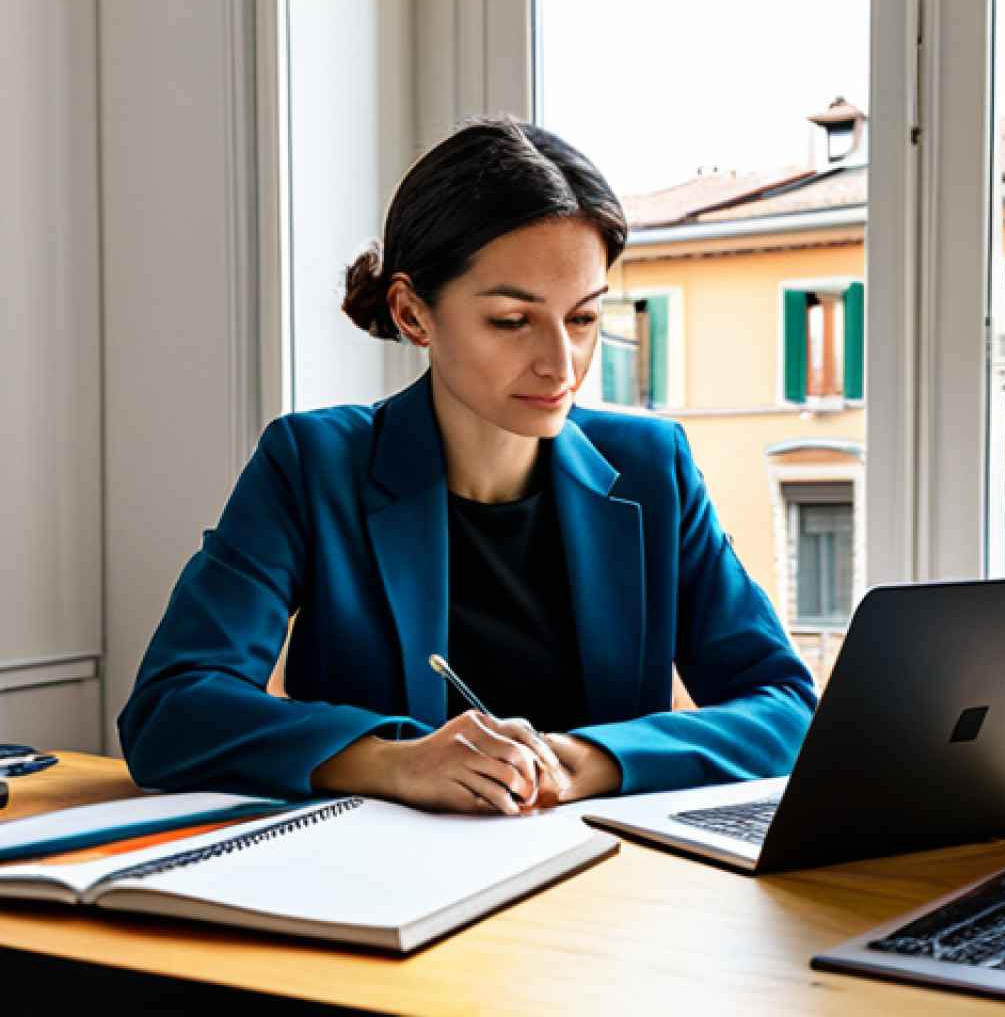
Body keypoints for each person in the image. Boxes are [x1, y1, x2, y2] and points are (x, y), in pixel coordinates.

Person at [118, 118, 817, 816]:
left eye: (582, 319)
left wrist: (588, 761)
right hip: (377, 892)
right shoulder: (311, 464)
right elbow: (169, 711)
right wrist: (394, 762)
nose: (561, 364)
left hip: (606, 889)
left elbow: (788, 711)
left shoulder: (652, 468)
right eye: (513, 321)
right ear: (413, 314)